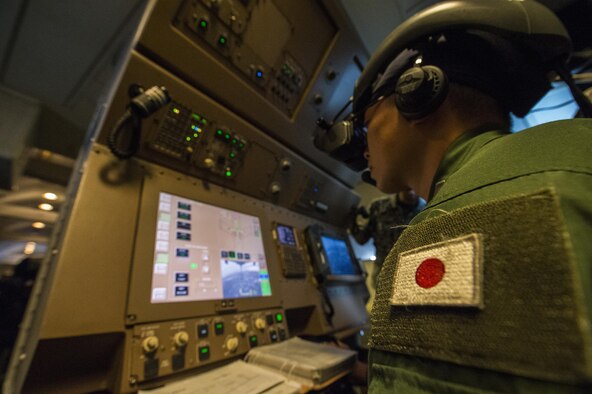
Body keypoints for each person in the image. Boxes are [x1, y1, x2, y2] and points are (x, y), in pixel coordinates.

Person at [347, 0, 592, 392]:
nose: (363, 146)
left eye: (366, 120)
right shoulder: (577, 143)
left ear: (417, 95)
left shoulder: (441, 233)